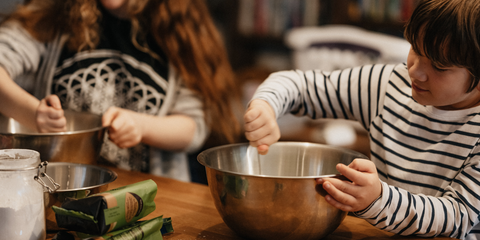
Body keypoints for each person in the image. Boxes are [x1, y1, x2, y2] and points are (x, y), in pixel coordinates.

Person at [244, 0, 480, 239]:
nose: (415, 71)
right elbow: (299, 85)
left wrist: (378, 199)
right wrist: (266, 105)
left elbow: (457, 216)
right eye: (416, 50)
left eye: (439, 66)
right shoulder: (389, 85)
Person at [0, 0, 240, 181]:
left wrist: (142, 126)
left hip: (148, 195)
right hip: (55, 185)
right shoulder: (53, 13)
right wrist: (33, 114)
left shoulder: (180, 30)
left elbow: (193, 128)